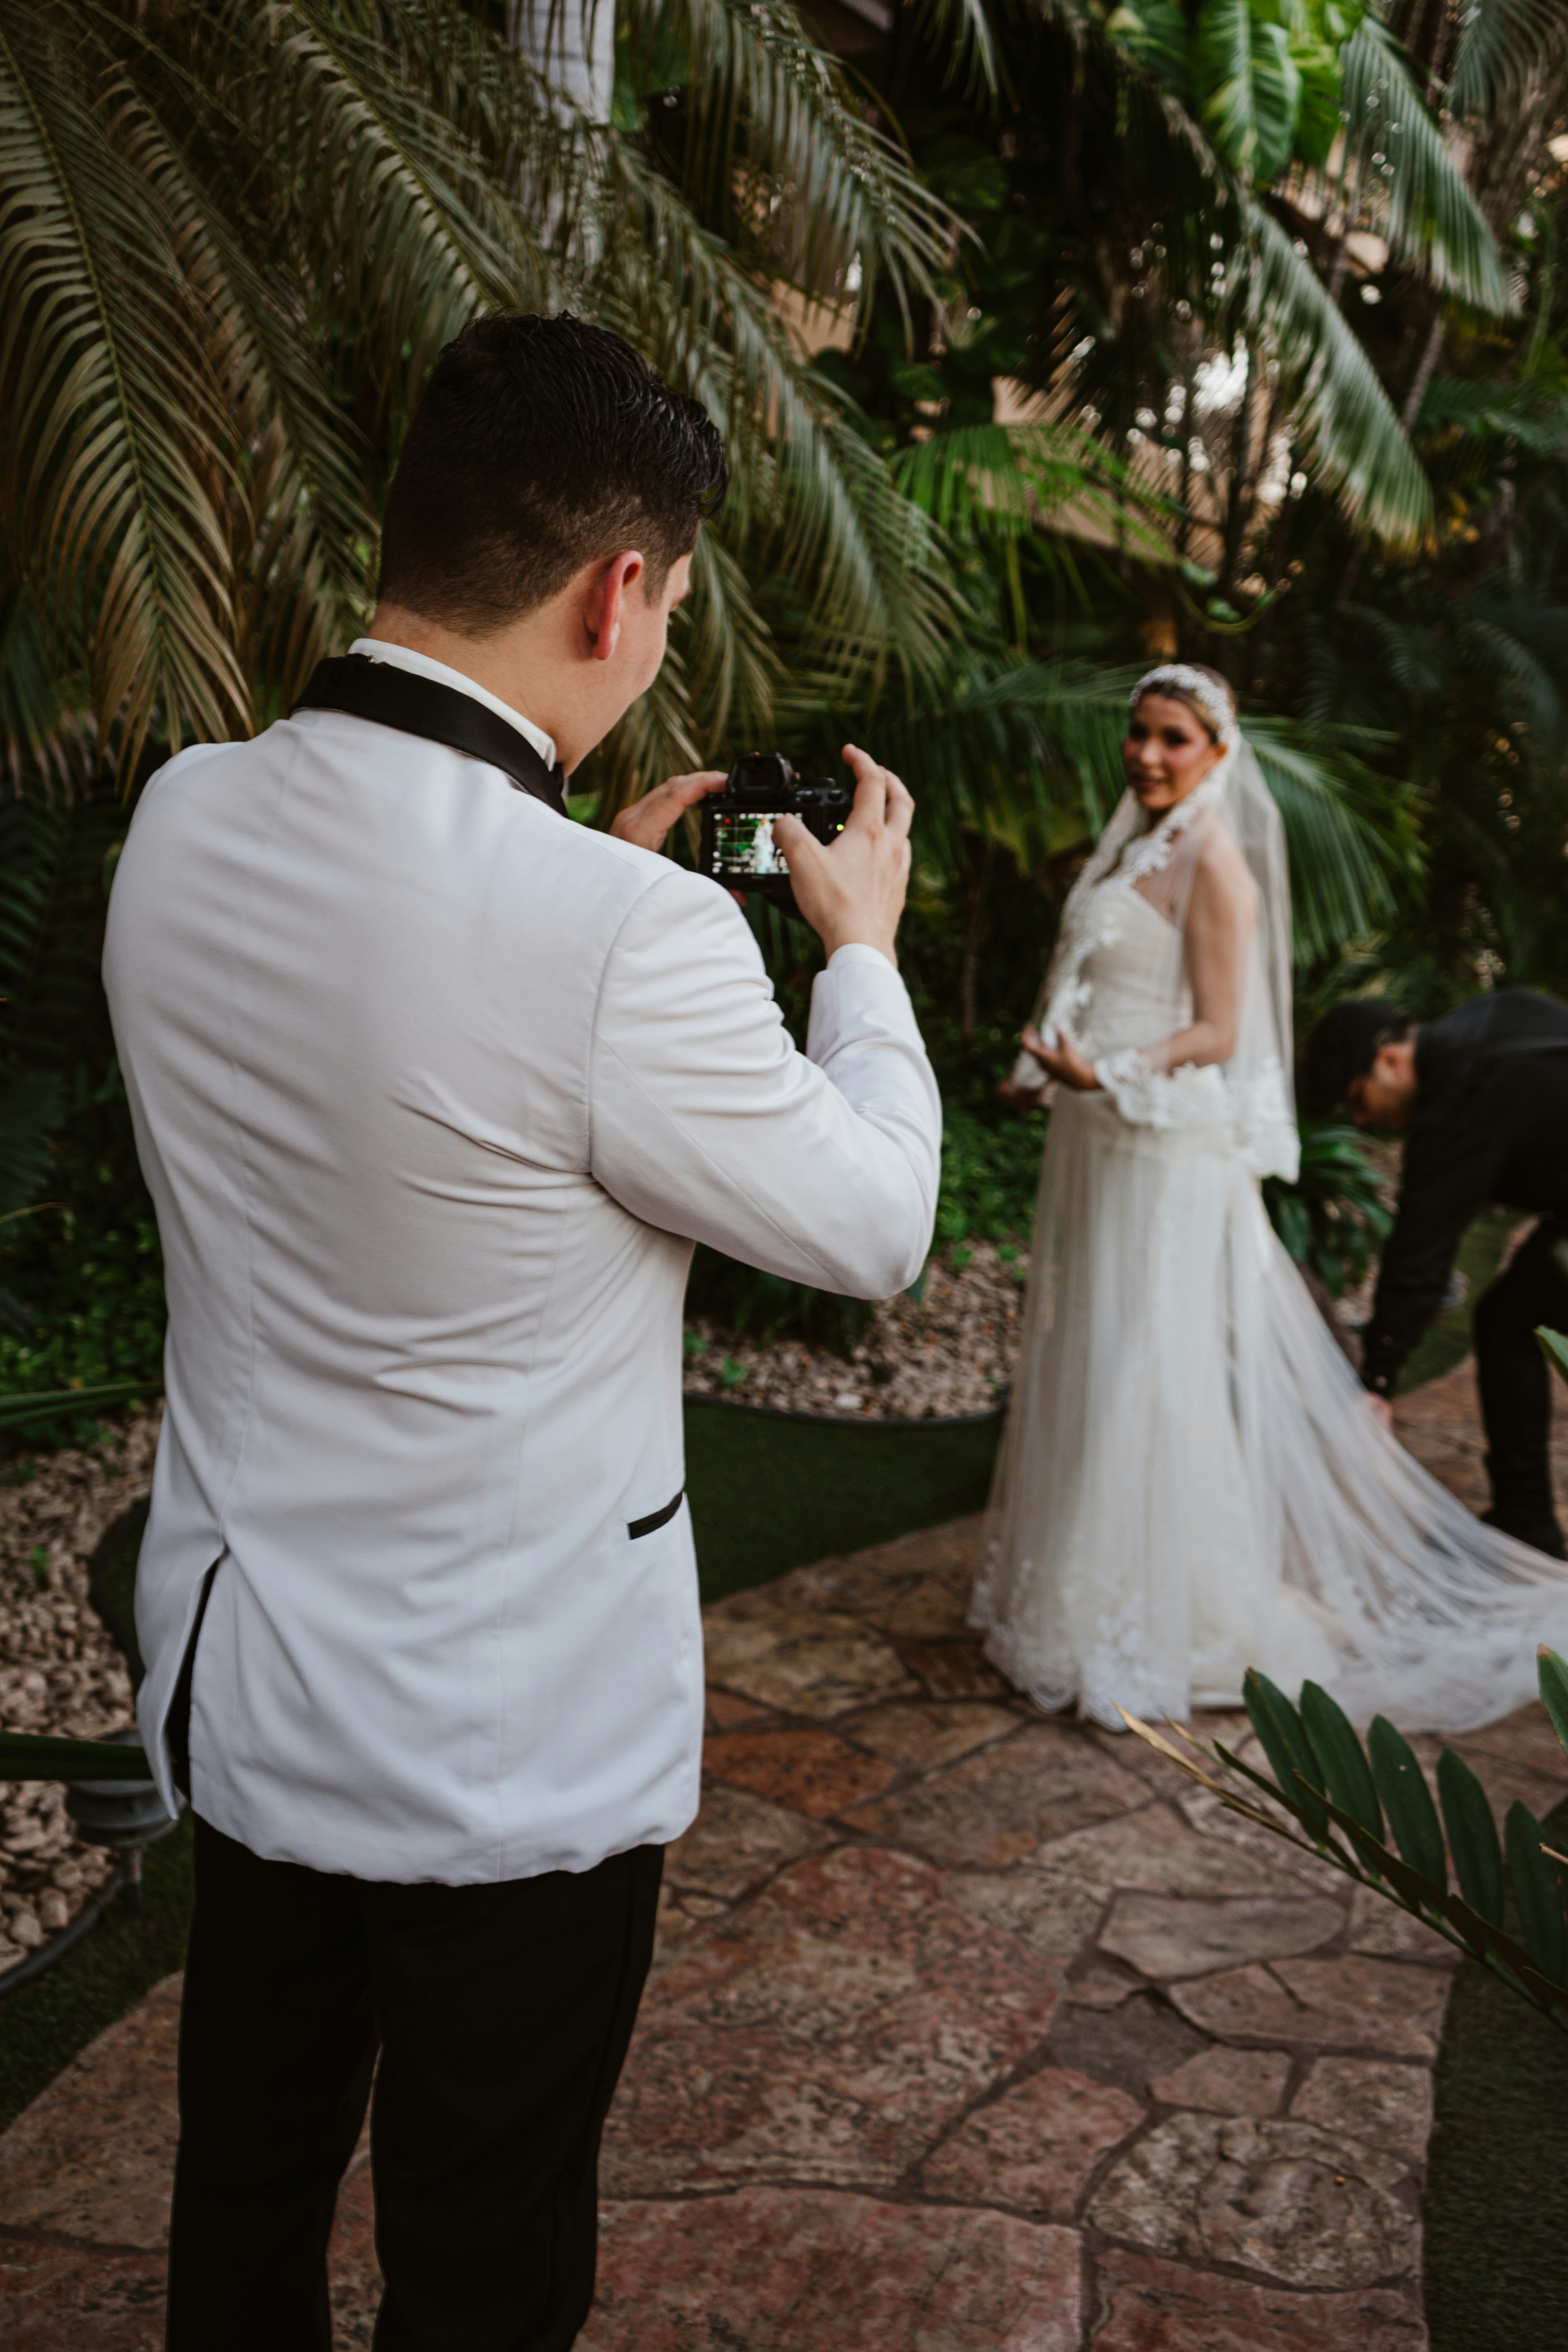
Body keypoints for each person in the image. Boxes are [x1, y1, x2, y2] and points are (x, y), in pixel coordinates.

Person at [102, 313, 939, 2351]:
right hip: (509, 1754)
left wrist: (594, 903)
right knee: (480, 2264)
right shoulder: (625, 937)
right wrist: (862, 966)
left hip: (246, 1696)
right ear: (621, 588)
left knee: (246, 2210)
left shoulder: (183, 823)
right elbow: (878, 1225)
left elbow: (400, 1037)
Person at [971, 660, 1568, 1736]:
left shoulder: (1220, 863)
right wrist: (1047, 1066)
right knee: (1097, 1350)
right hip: (1101, 1137)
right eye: (1140, 733)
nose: (1149, 756)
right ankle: (1080, 1596)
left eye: (1175, 740)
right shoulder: (1132, 842)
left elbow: (1219, 1034)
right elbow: (1096, 979)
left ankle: (1162, 1617)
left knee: (1150, 1364)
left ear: (1218, 753)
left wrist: (1106, 1075)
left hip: (1157, 1149)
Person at [1303, 989, 1568, 1558]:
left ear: (1390, 1061)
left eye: (1357, 1099)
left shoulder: (1460, 1093)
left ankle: (1528, 1524)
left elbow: (1421, 1253)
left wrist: (1377, 1380)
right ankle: (1526, 1519)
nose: (1360, 1120)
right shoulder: (1482, 1026)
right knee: (1510, 1320)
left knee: (1509, 1324)